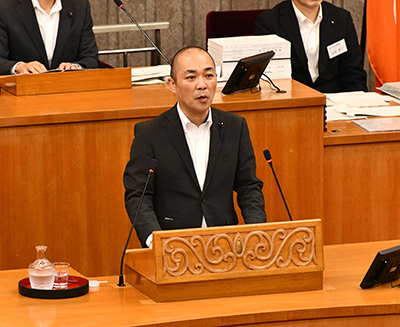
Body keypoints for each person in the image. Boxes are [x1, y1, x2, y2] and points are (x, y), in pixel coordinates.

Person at [123, 46, 267, 248]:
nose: (202, 85)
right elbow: (138, 194)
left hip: (224, 243)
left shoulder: (235, 127)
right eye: (191, 78)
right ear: (172, 85)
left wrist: (257, 232)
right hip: (172, 244)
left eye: (209, 75)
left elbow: (248, 187)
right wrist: (154, 241)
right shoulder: (150, 133)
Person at [254, 0, 368, 93]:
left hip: (336, 105)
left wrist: (358, 106)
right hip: (292, 103)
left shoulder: (341, 18)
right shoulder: (269, 22)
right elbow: (269, 79)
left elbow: (353, 73)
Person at [0, 0, 100, 75]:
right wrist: (19, 67)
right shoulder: (5, 7)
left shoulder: (79, 5)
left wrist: (75, 67)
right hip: (19, 93)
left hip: (68, 91)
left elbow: (90, 58)